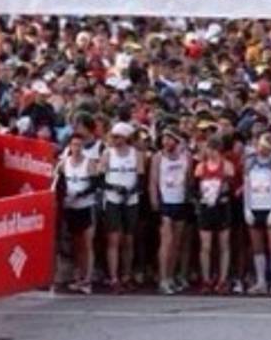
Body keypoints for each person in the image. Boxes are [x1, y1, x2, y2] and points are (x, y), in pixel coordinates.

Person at [100, 122, 141, 292]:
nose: (115, 140)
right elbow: (100, 178)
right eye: (113, 137)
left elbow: (141, 177)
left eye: (118, 137)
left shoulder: (135, 154)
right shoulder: (108, 153)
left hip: (130, 199)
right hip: (113, 199)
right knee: (114, 238)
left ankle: (126, 274)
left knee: (129, 239)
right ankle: (114, 277)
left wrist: (131, 190)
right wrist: (114, 188)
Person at [150, 128, 191, 294]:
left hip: (180, 200)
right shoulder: (158, 157)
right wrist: (154, 199)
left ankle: (171, 275)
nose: (166, 143)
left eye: (170, 139)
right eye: (164, 139)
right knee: (166, 242)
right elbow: (153, 181)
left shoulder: (185, 157)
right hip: (165, 201)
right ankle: (163, 278)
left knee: (177, 243)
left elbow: (189, 179)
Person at [243, 133, 271, 296]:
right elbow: (246, 187)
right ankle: (261, 281)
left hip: (270, 207)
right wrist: (246, 208)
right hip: (255, 206)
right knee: (257, 247)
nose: (263, 150)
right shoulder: (250, 162)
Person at [59, 133, 99, 294]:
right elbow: (59, 183)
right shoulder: (64, 164)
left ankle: (87, 279)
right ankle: (77, 277)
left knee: (87, 243)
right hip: (71, 207)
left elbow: (95, 184)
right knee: (76, 244)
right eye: (74, 145)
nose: (76, 149)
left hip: (86, 206)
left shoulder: (89, 163)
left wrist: (81, 194)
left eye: (79, 145)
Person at [195, 134, 234, 293]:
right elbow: (196, 187)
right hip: (206, 207)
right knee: (206, 246)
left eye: (213, 149)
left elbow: (230, 186)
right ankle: (206, 279)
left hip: (222, 207)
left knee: (223, 245)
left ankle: (222, 279)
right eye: (209, 149)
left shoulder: (227, 166)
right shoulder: (200, 167)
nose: (211, 153)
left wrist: (222, 189)